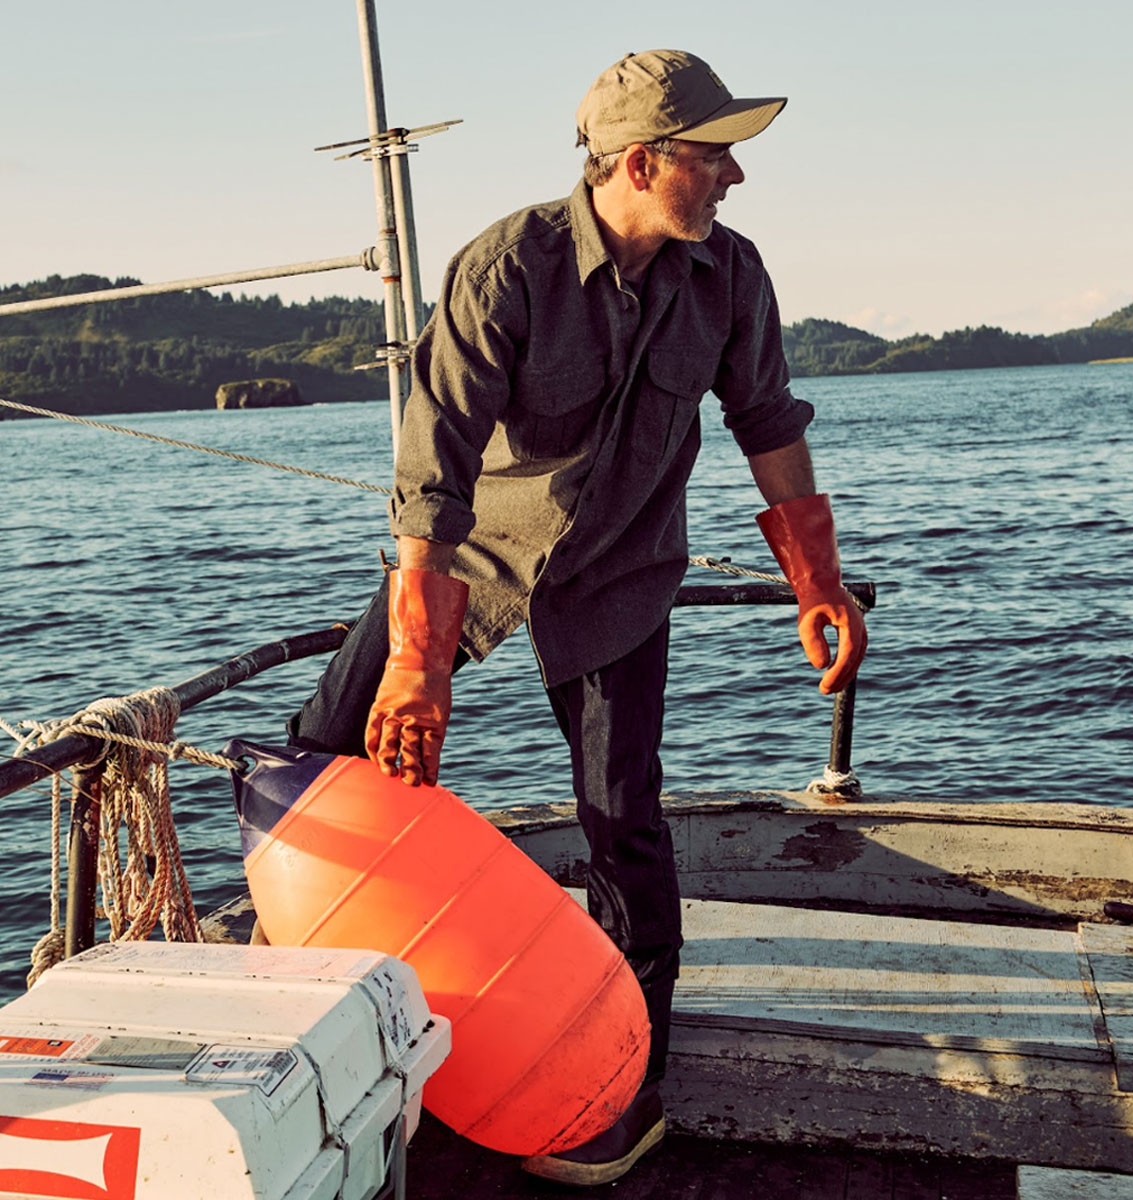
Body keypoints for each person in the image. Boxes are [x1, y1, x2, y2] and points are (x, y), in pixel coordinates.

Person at [288, 48, 867, 1187]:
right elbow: (433, 463)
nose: (737, 177)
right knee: (320, 756)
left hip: (621, 572)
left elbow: (768, 421)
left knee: (622, 818)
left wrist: (817, 583)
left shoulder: (730, 277)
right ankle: (329, 1000)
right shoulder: (511, 265)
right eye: (716, 155)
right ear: (644, 161)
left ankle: (625, 1059)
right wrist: (417, 654)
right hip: (473, 556)